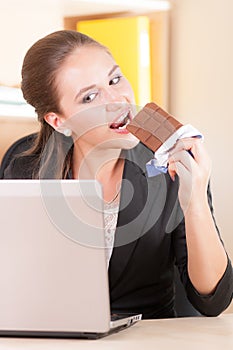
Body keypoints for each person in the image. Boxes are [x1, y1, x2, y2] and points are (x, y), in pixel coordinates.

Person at [3, 30, 233, 318]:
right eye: (90, 96)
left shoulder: (169, 163)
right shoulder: (24, 164)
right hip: (53, 334)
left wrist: (195, 199)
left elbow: (212, 300)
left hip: (146, 339)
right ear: (58, 121)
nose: (117, 100)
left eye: (115, 79)